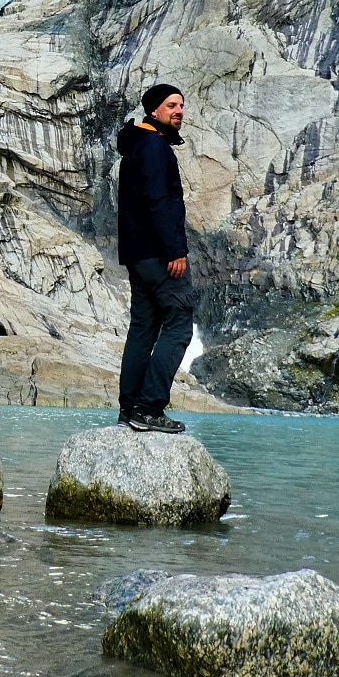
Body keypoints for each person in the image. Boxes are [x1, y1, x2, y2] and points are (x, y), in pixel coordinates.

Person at [114, 83, 193, 434]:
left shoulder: (135, 146)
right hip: (160, 255)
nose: (178, 110)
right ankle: (148, 408)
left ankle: (129, 408)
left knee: (143, 328)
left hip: (136, 255)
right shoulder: (155, 148)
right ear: (154, 111)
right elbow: (160, 202)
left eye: (180, 105)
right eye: (171, 105)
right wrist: (175, 250)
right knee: (178, 324)